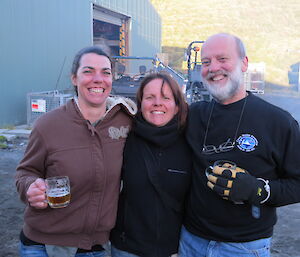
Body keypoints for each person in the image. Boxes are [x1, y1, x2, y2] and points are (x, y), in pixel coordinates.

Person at [179, 33, 300, 257]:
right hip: (191, 241)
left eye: (222, 59)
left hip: (244, 248)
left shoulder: (277, 121)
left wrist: (257, 189)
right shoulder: (192, 116)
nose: (213, 67)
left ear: (244, 63)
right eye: (206, 62)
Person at [15, 46, 137, 257]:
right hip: (44, 245)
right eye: (88, 71)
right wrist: (29, 188)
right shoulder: (48, 125)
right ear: (74, 78)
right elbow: (25, 172)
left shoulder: (126, 122)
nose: (98, 79)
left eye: (106, 72)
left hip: (95, 247)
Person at [110, 72, 193, 257]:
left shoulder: (190, 141)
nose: (157, 103)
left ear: (178, 106)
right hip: (127, 249)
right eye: (150, 97)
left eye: (166, 97)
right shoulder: (125, 138)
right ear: (140, 104)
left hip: (174, 250)